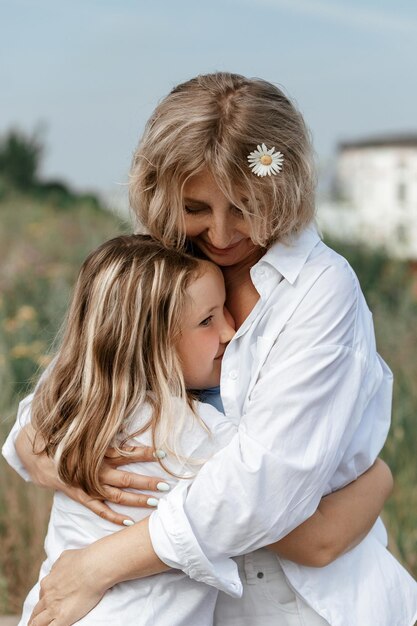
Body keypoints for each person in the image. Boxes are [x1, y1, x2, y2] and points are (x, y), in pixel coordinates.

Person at [4, 72, 417, 625]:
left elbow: (262, 494)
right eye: (197, 207)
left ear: (282, 186)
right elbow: (49, 415)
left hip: (301, 608)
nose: (221, 235)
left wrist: (99, 564)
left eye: (245, 206)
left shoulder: (320, 290)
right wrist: (72, 456)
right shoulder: (159, 269)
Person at [9, 234, 387, 626]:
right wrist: (380, 476)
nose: (229, 332)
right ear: (149, 343)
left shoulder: (71, 407)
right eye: (207, 320)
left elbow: (26, 432)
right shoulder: (184, 435)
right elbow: (312, 532)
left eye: (225, 310)